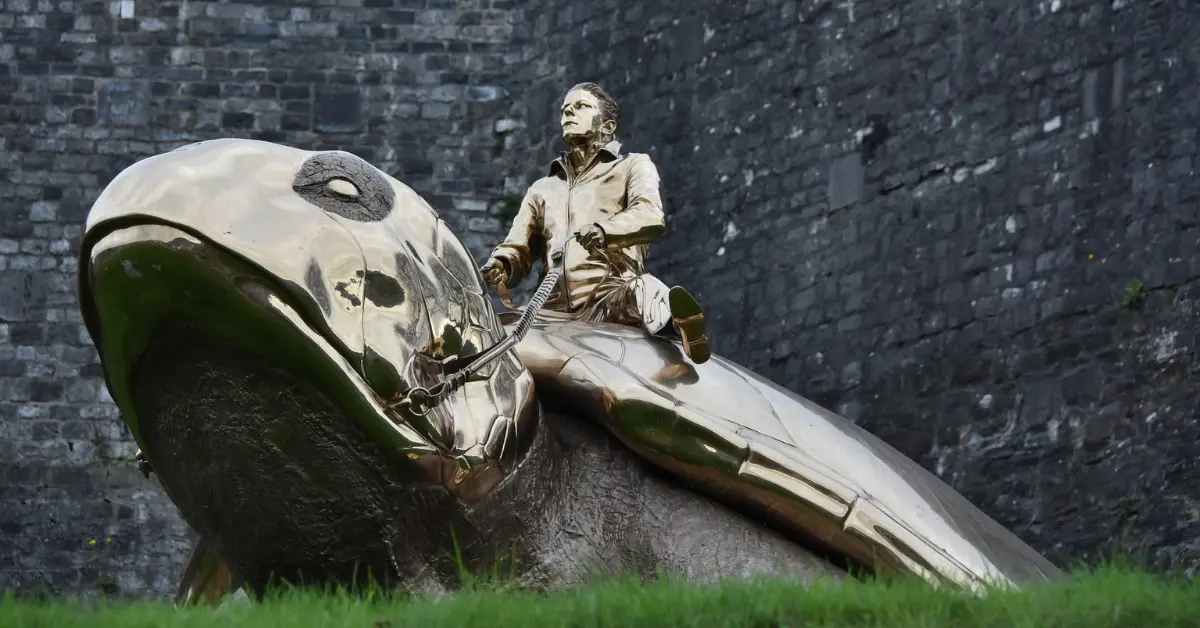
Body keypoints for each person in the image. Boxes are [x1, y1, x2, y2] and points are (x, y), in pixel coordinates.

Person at [478, 82, 711, 364]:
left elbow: (650, 214)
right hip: (549, 308)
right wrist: (502, 264)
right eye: (565, 110)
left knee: (645, 291)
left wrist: (605, 231)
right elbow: (518, 247)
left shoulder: (632, 166)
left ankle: (683, 329)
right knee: (493, 335)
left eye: (581, 107)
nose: (568, 114)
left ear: (608, 125)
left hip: (609, 294)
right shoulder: (542, 189)